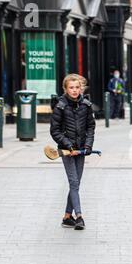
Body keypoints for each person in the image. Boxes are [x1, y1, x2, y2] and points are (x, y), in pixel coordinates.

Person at [50, 74, 96, 230]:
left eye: (77, 87)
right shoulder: (60, 106)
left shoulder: (86, 105)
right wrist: (69, 146)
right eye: (71, 88)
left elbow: (91, 127)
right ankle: (79, 216)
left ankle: (67, 217)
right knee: (74, 182)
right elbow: (55, 131)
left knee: (76, 183)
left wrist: (88, 146)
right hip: (66, 150)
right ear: (65, 89)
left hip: (81, 150)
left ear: (81, 88)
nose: (74, 90)